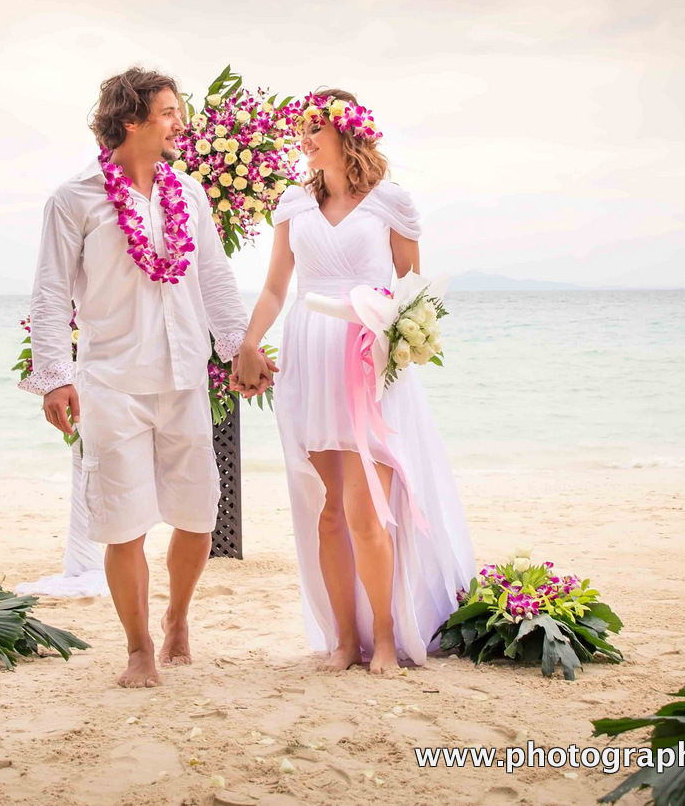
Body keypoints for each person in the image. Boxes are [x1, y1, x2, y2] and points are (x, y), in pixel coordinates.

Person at [25, 67, 272, 688]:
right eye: (168, 111)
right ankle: (138, 649)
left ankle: (177, 616)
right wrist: (54, 377)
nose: (179, 123)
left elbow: (214, 279)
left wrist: (239, 346)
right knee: (123, 520)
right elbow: (52, 294)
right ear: (130, 119)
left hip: (185, 375)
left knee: (198, 514)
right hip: (110, 382)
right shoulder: (74, 199)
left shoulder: (186, 194)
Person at [237, 90, 473, 675]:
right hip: (309, 358)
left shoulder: (389, 202)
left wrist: (402, 337)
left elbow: (416, 291)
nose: (304, 139)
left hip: (368, 361)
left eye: (315, 128)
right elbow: (274, 289)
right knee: (330, 512)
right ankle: (343, 640)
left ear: (348, 133)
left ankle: (388, 640)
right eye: (302, 130)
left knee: (369, 511)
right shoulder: (293, 206)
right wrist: (247, 342)